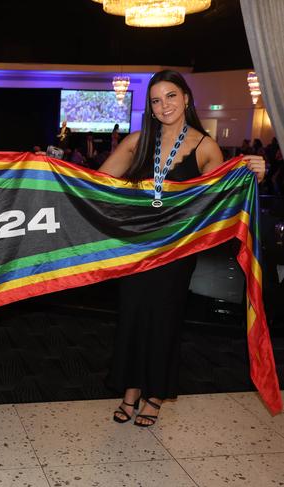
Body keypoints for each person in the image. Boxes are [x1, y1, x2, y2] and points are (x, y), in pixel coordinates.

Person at [99, 70, 265, 428]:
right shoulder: (137, 141)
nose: (164, 106)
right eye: (156, 100)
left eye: (171, 96)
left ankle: (155, 393)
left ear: (186, 98)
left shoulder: (205, 146)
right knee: (131, 315)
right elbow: (98, 184)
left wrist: (253, 171)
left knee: (164, 317)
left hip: (177, 250)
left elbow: (222, 194)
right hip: (137, 247)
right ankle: (130, 390)